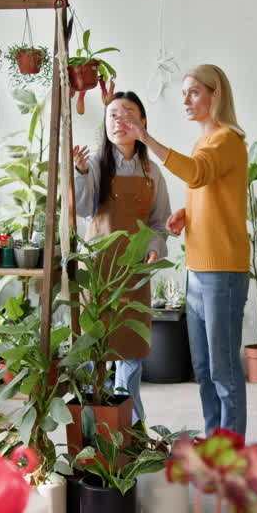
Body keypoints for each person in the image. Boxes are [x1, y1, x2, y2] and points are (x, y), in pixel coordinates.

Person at [114, 65, 250, 436]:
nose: (186, 100)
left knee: (223, 369)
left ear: (215, 95)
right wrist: (187, 214)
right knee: (203, 369)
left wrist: (146, 137)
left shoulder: (227, 139)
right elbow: (211, 189)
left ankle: (231, 449)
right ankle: (213, 438)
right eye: (184, 93)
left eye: (194, 92)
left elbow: (197, 173)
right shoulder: (203, 143)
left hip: (223, 271)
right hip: (198, 268)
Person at [73, 90, 171, 423]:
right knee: (93, 353)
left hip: (133, 272)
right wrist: (80, 173)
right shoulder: (93, 163)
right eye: (112, 114)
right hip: (98, 271)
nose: (118, 120)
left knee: (131, 354)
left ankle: (131, 430)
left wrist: (154, 247)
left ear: (143, 122)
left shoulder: (152, 171)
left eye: (127, 113)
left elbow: (159, 223)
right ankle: (91, 431)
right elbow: (83, 209)